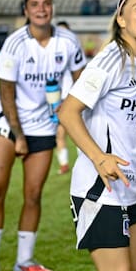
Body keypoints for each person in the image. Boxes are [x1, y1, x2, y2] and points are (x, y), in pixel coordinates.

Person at [58, 0, 136, 271]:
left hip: (132, 185)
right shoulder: (111, 58)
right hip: (101, 187)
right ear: (121, 20)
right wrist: (99, 158)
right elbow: (68, 112)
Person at [0, 0, 87, 271]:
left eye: (47, 4)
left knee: (34, 194)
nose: (41, 9)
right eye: (35, 5)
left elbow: (82, 80)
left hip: (43, 125)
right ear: (25, 11)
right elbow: (6, 92)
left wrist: (74, 114)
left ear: (53, 8)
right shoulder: (15, 44)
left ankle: (23, 261)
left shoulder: (68, 41)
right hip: (8, 121)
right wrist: (19, 135)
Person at [54, 21, 76, 175]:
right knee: (60, 134)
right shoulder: (52, 55)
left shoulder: (75, 55)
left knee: (79, 134)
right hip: (58, 100)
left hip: (74, 101)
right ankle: (64, 164)